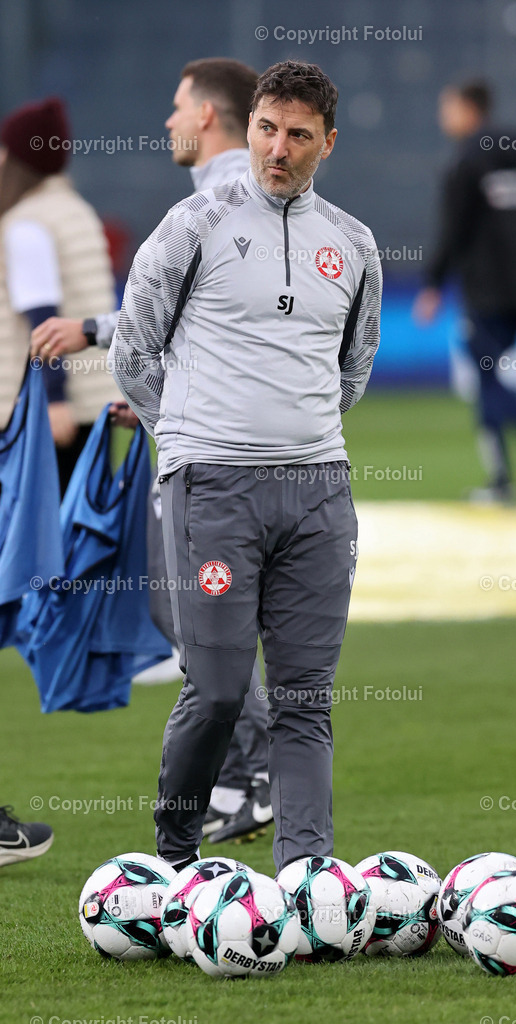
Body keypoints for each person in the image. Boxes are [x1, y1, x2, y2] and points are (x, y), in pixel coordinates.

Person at [109, 59, 382, 873]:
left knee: (304, 703)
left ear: (326, 143)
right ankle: (173, 863)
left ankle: (305, 880)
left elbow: (352, 371)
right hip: (213, 489)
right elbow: (133, 350)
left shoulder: (357, 244)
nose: (278, 148)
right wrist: (190, 439)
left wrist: (297, 441)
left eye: (299, 135)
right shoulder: (193, 224)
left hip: (318, 495)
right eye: (267, 127)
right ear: (251, 124)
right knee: (220, 691)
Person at [31, 59, 272, 843]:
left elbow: (181, 310)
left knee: (200, 616)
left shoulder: (218, 198)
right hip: (236, 441)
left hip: (214, 456)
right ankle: (252, 778)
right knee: (199, 614)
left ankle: (252, 777)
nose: (168, 120)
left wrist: (100, 337)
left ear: (208, 116)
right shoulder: (252, 199)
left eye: (177, 107)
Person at [414, 79, 516, 502]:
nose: (443, 116)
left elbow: (455, 229)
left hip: (486, 287)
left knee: (486, 373)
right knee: (493, 368)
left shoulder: (466, 160)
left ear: (469, 109)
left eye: (447, 107)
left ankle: (508, 472)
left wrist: (432, 285)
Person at [0, 96, 119, 494]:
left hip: (51, 413)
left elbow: (43, 315)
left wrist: (53, 400)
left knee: (39, 539)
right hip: (93, 400)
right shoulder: (75, 210)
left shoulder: (27, 223)